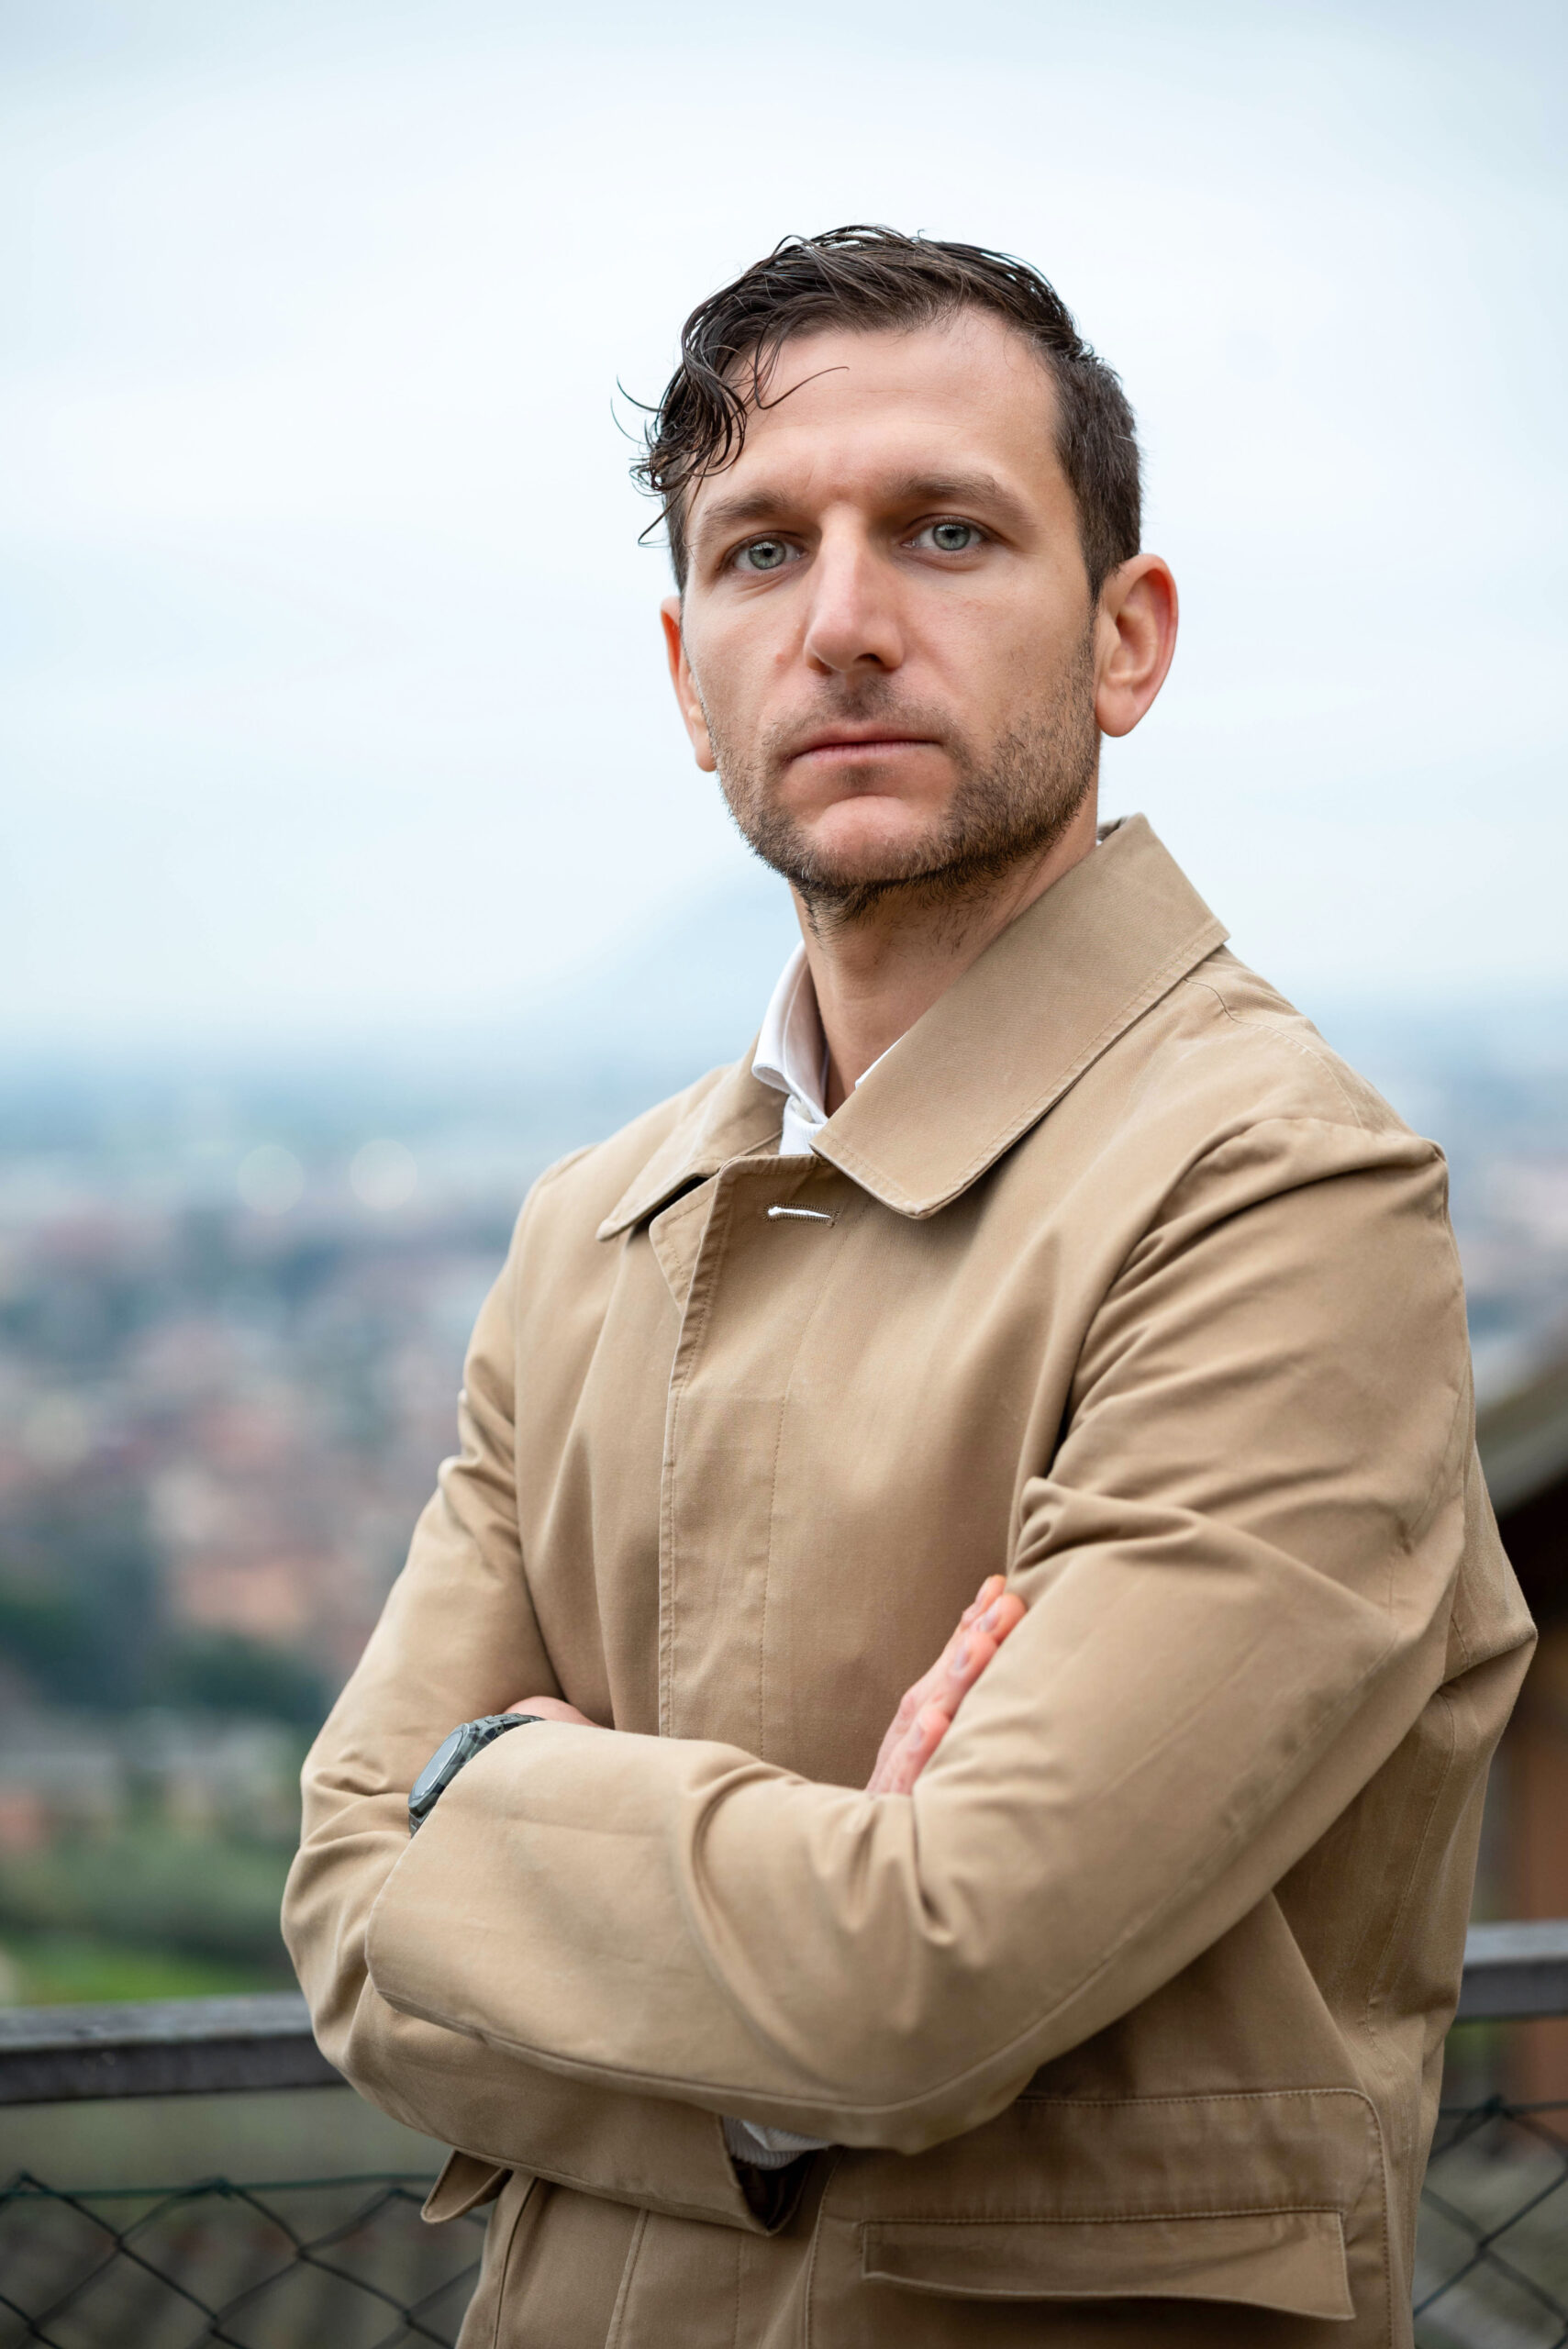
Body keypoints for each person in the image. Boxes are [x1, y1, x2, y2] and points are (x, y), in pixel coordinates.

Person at [283, 228, 1533, 2348]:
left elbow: (927, 1968)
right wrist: (792, 2021)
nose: (844, 620)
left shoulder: (1280, 1195)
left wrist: (489, 1805)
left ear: (1127, 638)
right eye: (762, 550)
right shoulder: (593, 1225)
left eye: (947, 532)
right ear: (688, 673)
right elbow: (341, 1912)